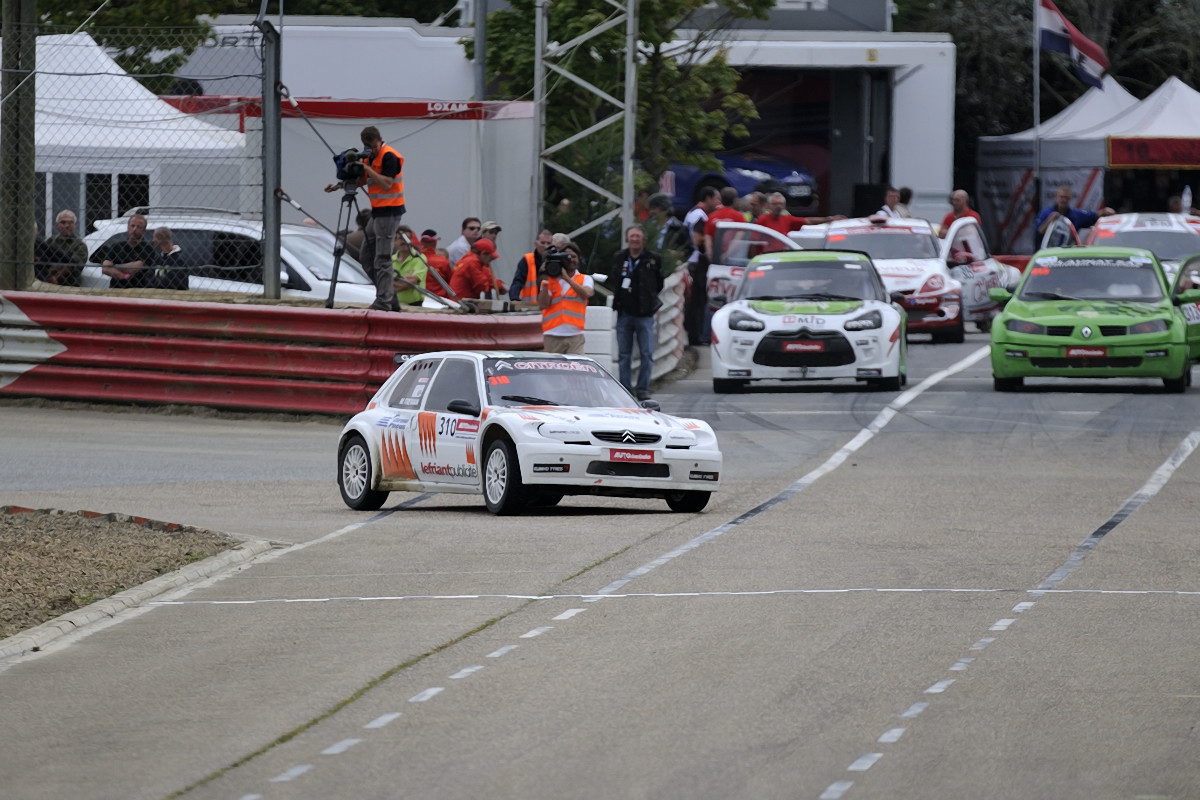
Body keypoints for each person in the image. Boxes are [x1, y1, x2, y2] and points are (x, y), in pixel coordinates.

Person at [331, 125, 405, 311]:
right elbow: (363, 180)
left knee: (383, 258)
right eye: (368, 147)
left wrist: (366, 167)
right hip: (377, 213)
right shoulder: (370, 157)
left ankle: (383, 302)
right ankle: (389, 297)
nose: (372, 150)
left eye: (373, 146)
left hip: (389, 212)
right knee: (366, 256)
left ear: (379, 140)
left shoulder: (389, 156)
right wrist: (340, 185)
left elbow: (387, 184)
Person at [609, 224, 664, 400]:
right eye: (632, 236)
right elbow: (615, 280)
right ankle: (625, 390)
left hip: (645, 314)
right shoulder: (620, 258)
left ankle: (642, 390)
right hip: (624, 312)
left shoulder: (652, 259)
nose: (634, 239)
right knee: (624, 354)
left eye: (637, 236)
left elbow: (659, 283)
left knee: (647, 354)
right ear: (627, 238)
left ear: (643, 239)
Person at [537, 241, 594, 354]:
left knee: (576, 370)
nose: (571, 259)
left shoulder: (585, 279)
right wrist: (545, 278)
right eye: (567, 256)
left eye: (574, 256)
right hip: (552, 334)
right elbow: (543, 304)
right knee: (552, 370)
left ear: (578, 259)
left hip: (575, 335)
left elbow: (586, 294)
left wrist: (566, 278)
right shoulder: (551, 281)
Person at [683, 186, 719, 346]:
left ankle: (694, 334)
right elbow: (698, 239)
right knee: (698, 301)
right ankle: (695, 336)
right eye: (716, 199)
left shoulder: (692, 212)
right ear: (708, 198)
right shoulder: (700, 216)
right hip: (698, 262)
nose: (718, 203)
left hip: (691, 259)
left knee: (694, 301)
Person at [1035, 184, 1115, 246]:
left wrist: (1104, 211)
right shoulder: (1045, 213)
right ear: (1057, 197)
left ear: (1070, 198)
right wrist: (1050, 220)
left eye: (1066, 198)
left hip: (1067, 253)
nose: (1063, 200)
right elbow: (1038, 233)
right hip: (1048, 252)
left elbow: (1091, 217)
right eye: (1061, 197)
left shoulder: (1075, 214)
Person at [95, 213, 156, 289]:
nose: (134, 229)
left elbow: (135, 268)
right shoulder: (117, 246)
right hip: (115, 290)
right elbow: (105, 268)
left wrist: (114, 266)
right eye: (132, 226)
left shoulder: (148, 249)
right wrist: (123, 276)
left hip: (137, 291)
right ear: (128, 227)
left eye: (139, 227)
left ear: (144, 231)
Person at [754, 191, 844, 235]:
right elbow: (754, 242)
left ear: (784, 206)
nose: (778, 206)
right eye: (775, 204)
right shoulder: (762, 220)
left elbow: (808, 221)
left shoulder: (787, 219)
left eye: (780, 204)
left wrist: (829, 219)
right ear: (769, 206)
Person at [42, 210, 88, 286]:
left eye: (70, 222)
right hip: (46, 283)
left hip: (70, 285)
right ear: (57, 225)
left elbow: (72, 266)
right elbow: (41, 261)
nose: (66, 225)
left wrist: (54, 276)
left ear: (75, 225)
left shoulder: (80, 245)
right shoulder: (50, 241)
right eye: (63, 222)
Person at [508, 228, 554, 301]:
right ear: (536, 244)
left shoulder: (556, 261)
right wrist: (514, 298)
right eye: (542, 243)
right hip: (530, 307)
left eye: (549, 243)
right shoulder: (527, 260)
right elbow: (518, 281)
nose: (546, 246)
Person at [391, 225, 428, 306]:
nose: (404, 241)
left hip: (414, 306)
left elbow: (411, 282)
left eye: (407, 238)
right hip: (394, 304)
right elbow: (384, 284)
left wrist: (393, 283)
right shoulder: (390, 260)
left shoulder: (420, 258)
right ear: (394, 241)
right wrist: (405, 280)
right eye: (400, 238)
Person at [419, 229, 454, 297]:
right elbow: (452, 282)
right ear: (435, 242)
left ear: (421, 242)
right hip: (439, 300)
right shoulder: (443, 262)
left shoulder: (414, 259)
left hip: (418, 300)